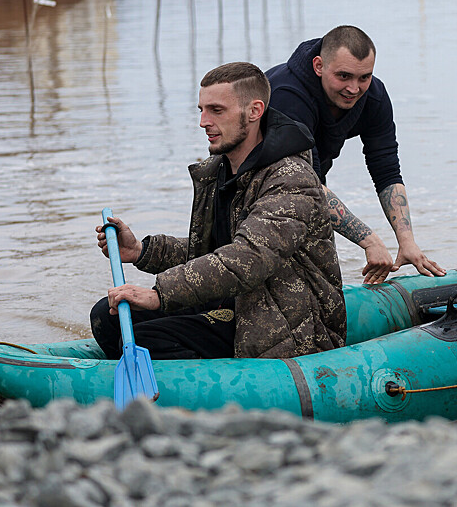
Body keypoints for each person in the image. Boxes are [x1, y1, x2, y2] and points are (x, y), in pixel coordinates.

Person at [90, 62, 346, 360]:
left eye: (216, 110)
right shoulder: (220, 171)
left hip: (287, 324)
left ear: (254, 111)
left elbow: (248, 258)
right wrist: (141, 250)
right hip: (233, 303)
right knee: (106, 318)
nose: (203, 121)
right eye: (201, 109)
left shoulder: (291, 178)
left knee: (142, 337)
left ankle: (206, 394)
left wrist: (160, 295)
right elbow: (212, 251)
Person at [266, 25, 446, 284]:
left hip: (309, 188)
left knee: (324, 282)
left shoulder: (373, 96)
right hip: (253, 193)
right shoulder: (288, 95)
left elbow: (386, 169)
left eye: (364, 77)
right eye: (344, 76)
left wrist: (406, 242)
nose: (354, 88)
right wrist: (369, 240)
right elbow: (306, 185)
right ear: (318, 66)